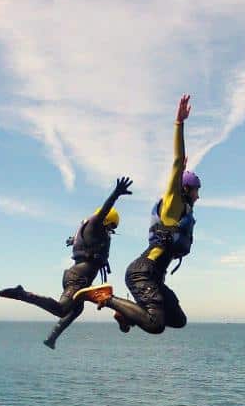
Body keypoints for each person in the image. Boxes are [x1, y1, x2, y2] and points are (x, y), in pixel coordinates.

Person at [77, 94, 198, 334]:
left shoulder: (185, 210)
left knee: (178, 320)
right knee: (155, 325)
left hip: (155, 277)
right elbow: (176, 162)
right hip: (142, 272)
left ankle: (125, 313)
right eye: (196, 190)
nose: (198, 196)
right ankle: (105, 297)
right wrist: (179, 124)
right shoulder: (173, 204)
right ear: (186, 189)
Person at [0, 176, 133, 349]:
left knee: (76, 309)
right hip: (78, 278)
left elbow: (80, 240)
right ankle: (22, 294)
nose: (111, 232)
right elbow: (104, 211)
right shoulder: (96, 224)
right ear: (107, 221)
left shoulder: (88, 231)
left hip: (78, 276)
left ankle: (52, 337)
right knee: (62, 309)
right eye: (112, 227)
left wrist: (73, 240)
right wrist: (116, 194)